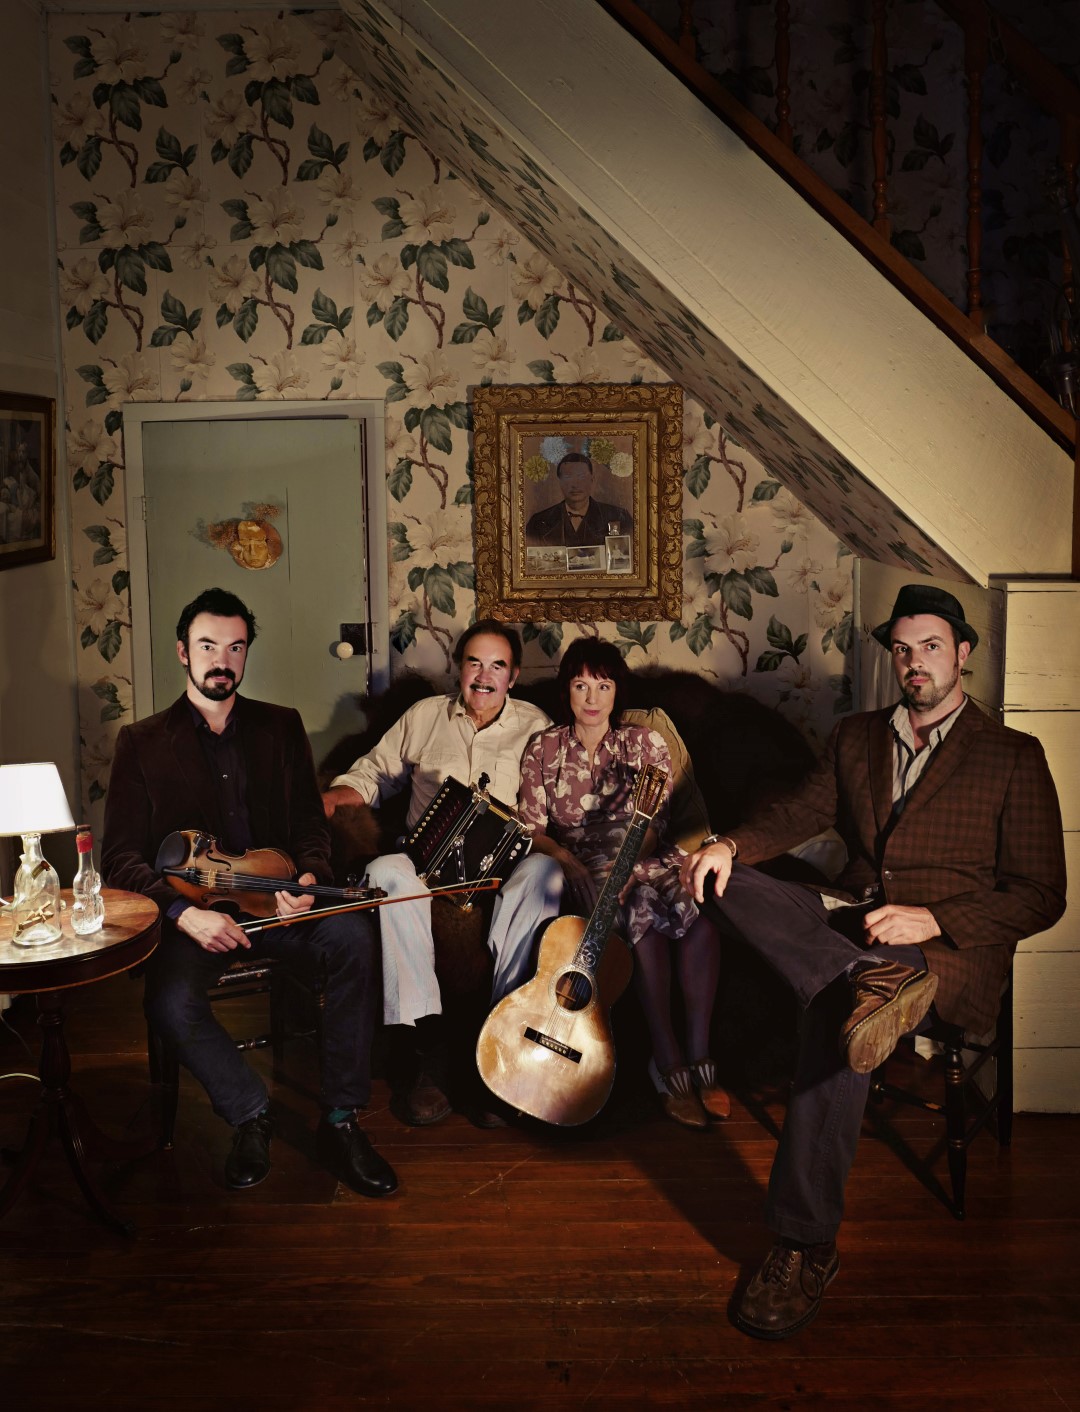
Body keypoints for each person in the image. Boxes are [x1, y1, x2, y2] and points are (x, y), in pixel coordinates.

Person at [679, 583, 1067, 1339]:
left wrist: (935, 917)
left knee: (835, 1022)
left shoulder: (1014, 755)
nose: (914, 663)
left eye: (930, 647)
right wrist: (727, 844)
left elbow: (1041, 894)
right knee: (721, 880)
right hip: (851, 928)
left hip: (940, 950)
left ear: (961, 655)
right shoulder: (857, 736)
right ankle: (857, 979)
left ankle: (802, 1243)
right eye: (902, 649)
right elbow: (798, 815)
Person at [102, 587, 397, 1198]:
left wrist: (310, 880)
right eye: (209, 645)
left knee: (353, 937)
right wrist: (183, 914)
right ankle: (248, 1111)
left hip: (278, 904)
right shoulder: (142, 742)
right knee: (169, 1001)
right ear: (183, 653)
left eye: (235, 647)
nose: (223, 660)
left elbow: (309, 828)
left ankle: (342, 1119)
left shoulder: (280, 727)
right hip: (196, 919)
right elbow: (120, 858)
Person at [322, 620, 562, 1125]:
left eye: (497, 665)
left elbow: (552, 801)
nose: (484, 675)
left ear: (513, 675)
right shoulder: (424, 715)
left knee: (545, 876)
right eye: (475, 662)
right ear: (459, 667)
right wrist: (336, 795)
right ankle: (427, 1046)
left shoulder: (536, 724)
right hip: (425, 861)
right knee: (386, 870)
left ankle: (502, 1037)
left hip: (504, 865)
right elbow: (374, 771)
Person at [517, 638, 728, 1128]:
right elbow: (532, 828)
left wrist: (630, 865)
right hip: (584, 867)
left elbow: (656, 823)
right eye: (581, 685)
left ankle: (702, 1056)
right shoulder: (543, 747)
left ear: (618, 692)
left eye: (603, 685)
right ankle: (667, 1059)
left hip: (647, 857)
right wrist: (566, 859)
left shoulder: (644, 741)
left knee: (699, 911)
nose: (592, 697)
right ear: (566, 690)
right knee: (639, 916)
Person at [524, 452, 634, 548]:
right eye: (568, 477)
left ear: (592, 480)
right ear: (559, 482)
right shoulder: (538, 522)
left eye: (581, 477)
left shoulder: (620, 517)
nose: (575, 485)